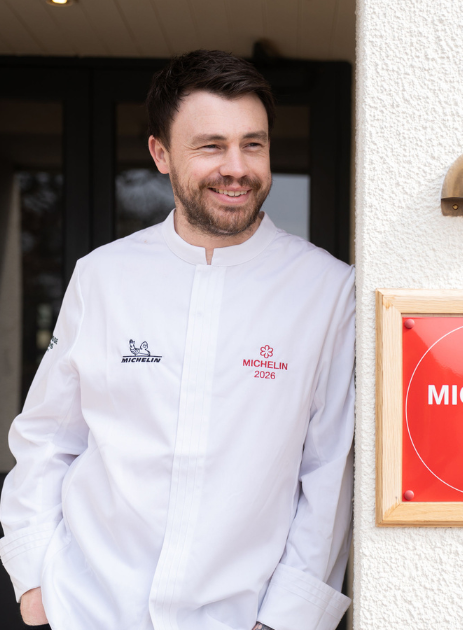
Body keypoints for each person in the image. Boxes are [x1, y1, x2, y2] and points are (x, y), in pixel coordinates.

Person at [0, 50, 354, 629]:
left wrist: (285, 620)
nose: (236, 167)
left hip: (237, 618)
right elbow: (48, 435)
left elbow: (329, 470)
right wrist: (34, 579)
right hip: (90, 608)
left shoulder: (328, 289)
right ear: (160, 154)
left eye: (253, 144)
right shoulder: (103, 276)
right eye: (211, 146)